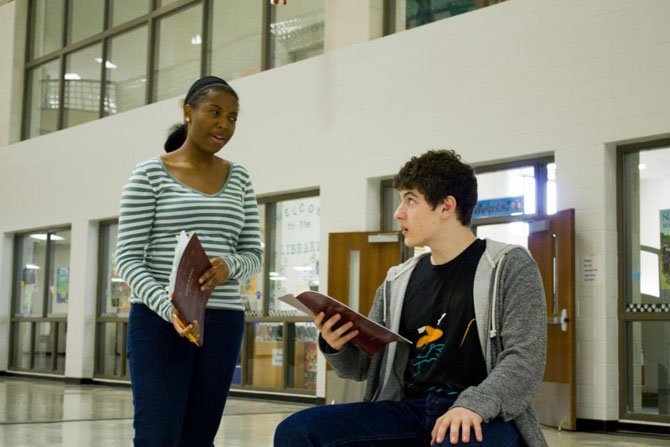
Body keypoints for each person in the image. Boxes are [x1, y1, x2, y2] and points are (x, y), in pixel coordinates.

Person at [275, 149, 548, 447]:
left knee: (456, 440)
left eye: (410, 200)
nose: (398, 213)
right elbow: (360, 368)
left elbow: (525, 360)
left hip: (482, 414)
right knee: (297, 431)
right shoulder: (398, 279)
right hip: (408, 410)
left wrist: (473, 405)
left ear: (446, 207)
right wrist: (336, 344)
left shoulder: (508, 265)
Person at [115, 76, 263, 446]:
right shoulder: (148, 175)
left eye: (232, 117)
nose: (223, 125)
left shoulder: (239, 177)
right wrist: (171, 309)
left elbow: (254, 253)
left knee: (200, 436)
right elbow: (128, 259)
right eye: (214, 112)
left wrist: (230, 265)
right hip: (160, 322)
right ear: (188, 112)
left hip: (223, 320)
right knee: (157, 435)